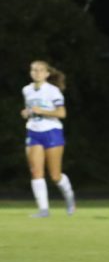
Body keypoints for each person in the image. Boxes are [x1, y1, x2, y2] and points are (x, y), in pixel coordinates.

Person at [21, 60, 76, 217]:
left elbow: (62, 114)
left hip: (52, 132)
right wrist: (27, 113)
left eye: (40, 70)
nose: (36, 73)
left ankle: (69, 197)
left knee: (55, 175)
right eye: (34, 70)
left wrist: (42, 111)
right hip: (33, 132)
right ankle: (44, 210)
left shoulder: (53, 91)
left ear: (47, 74)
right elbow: (31, 110)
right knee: (36, 172)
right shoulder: (26, 90)